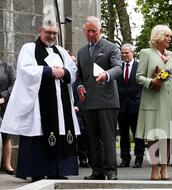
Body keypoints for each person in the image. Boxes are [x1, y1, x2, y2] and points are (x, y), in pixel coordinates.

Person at [0, 20, 80, 181]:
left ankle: (58, 171)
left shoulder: (61, 51)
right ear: (40, 31)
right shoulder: (29, 48)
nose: (51, 36)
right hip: (39, 104)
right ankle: (37, 171)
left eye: (55, 33)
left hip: (60, 104)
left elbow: (72, 69)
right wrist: (49, 71)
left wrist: (63, 71)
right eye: (48, 33)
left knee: (61, 131)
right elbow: (25, 69)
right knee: (38, 133)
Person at [76, 16, 122, 180]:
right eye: (87, 31)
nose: (90, 34)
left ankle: (111, 171)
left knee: (107, 137)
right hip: (88, 102)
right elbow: (79, 75)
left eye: (93, 31)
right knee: (92, 138)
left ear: (100, 30)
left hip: (107, 101)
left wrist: (106, 74)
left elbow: (118, 68)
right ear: (84, 31)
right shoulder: (81, 52)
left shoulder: (111, 47)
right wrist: (80, 86)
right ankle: (97, 171)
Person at [135, 25, 172, 180]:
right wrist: (152, 81)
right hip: (152, 100)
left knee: (167, 136)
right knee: (153, 136)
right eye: (167, 36)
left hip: (169, 101)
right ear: (158, 37)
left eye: (170, 36)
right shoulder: (146, 53)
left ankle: (164, 168)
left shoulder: (171, 55)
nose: (169, 39)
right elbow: (138, 76)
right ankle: (154, 169)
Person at [117, 43, 145, 169]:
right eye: (122, 53)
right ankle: (125, 159)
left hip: (135, 105)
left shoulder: (139, 67)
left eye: (126, 52)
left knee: (137, 134)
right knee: (123, 135)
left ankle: (139, 158)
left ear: (132, 53)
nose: (124, 55)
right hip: (121, 106)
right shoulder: (118, 67)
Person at [0, 59, 16, 175]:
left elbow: (14, 84)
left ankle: (7, 164)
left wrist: (3, 97)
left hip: (4, 105)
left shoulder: (8, 66)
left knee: (6, 136)